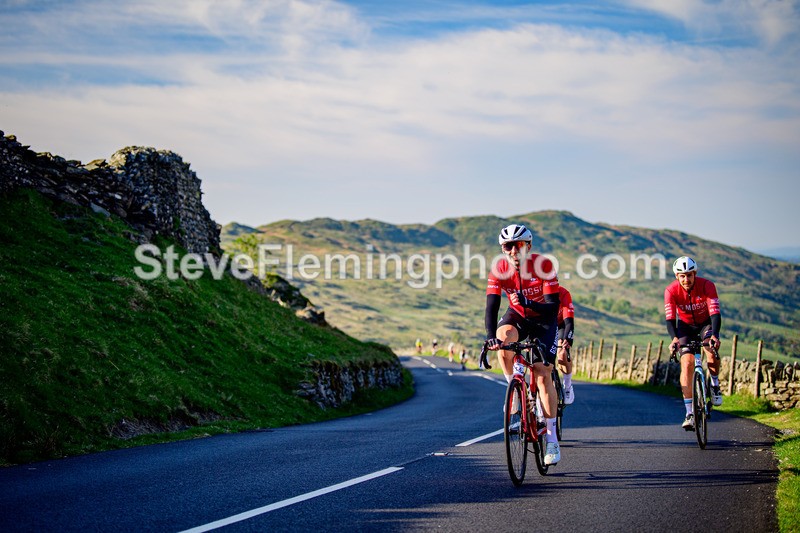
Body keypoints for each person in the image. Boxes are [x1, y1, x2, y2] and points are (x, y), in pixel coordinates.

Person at [485, 223, 562, 465]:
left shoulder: (544, 265)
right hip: (517, 315)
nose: (513, 251)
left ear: (528, 246)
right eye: (507, 246)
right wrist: (490, 336)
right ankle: (514, 391)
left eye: (518, 245)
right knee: (503, 340)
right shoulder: (499, 268)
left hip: (544, 320)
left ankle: (551, 441)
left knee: (541, 373)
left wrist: (529, 301)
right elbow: (492, 305)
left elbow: (552, 308)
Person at [664, 256, 723, 431]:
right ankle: (689, 413)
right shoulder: (671, 291)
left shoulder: (707, 286)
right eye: (682, 276)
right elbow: (670, 319)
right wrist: (674, 338)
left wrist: (715, 335)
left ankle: (714, 384)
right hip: (685, 327)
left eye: (689, 275)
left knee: (711, 351)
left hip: (706, 323)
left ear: (695, 274)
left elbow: (715, 313)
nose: (686, 279)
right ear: (677, 276)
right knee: (687, 363)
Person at [556, 285, 575, 405]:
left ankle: (567, 385)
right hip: (543, 327)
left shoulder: (563, 293)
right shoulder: (536, 293)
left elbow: (569, 321)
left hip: (561, 325)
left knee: (562, 354)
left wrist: (568, 339)